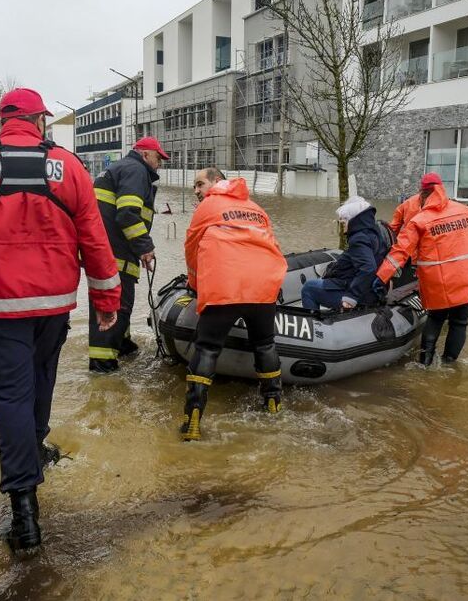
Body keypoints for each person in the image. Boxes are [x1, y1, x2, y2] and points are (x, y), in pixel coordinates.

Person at [0, 88, 120, 553]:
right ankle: (35, 453)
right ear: (37, 121)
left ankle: (24, 513)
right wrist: (106, 296)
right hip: (55, 302)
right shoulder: (70, 167)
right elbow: (94, 236)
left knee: (11, 397)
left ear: (3, 121)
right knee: (42, 380)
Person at [182, 171, 287, 441]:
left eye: (199, 184)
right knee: (265, 344)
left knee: (207, 348)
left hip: (225, 285)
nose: (196, 190)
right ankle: (273, 404)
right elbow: (273, 244)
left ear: (216, 184)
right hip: (264, 286)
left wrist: (195, 285)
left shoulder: (208, 206)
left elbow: (192, 248)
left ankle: (192, 419)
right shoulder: (256, 208)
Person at [373, 172, 468, 366]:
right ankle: (448, 365)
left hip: (439, 281)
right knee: (459, 323)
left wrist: (380, 278)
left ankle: (424, 364)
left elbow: (399, 252)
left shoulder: (419, 220)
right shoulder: (467, 211)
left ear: (422, 193)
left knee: (435, 318)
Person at [88, 136, 168, 372]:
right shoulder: (136, 170)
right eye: (158, 158)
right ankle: (103, 366)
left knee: (117, 305)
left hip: (107, 253)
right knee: (116, 307)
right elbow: (127, 214)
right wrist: (145, 247)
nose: (160, 164)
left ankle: (122, 347)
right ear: (145, 154)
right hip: (116, 256)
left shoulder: (121, 168)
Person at [300, 195, 388, 311]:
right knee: (322, 282)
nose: (343, 225)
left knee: (308, 288)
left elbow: (368, 268)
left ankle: (314, 323)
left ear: (353, 220)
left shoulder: (358, 238)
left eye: (344, 221)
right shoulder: (375, 231)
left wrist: (352, 296)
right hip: (372, 290)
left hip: (362, 295)